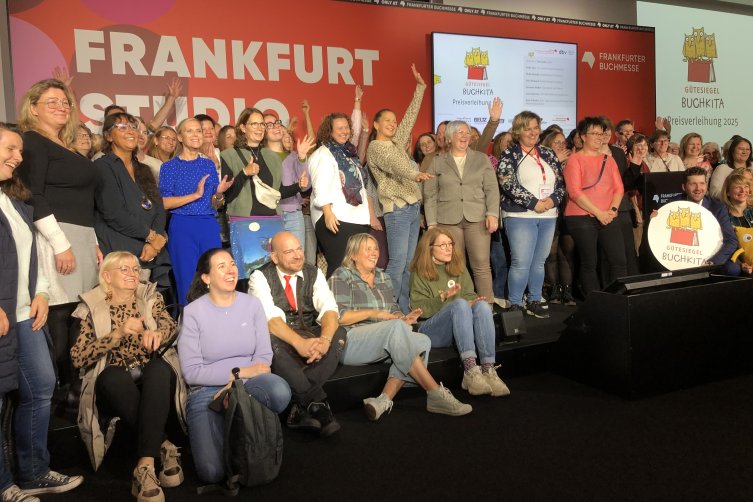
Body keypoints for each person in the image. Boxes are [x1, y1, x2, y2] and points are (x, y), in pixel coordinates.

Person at [0, 123, 83, 501]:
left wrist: (43, 292)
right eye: (10, 149)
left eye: (20, 151)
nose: (18, 158)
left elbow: (31, 253)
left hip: (25, 313)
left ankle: (33, 473)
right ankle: (5, 485)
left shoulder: (14, 199)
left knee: (42, 387)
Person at [71, 251, 183, 501]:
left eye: (135, 269)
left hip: (151, 373)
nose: (133, 273)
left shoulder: (150, 298)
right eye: (124, 269)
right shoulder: (91, 307)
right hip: (115, 381)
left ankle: (145, 466)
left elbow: (170, 325)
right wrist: (117, 334)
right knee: (112, 377)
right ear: (107, 276)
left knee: (157, 370)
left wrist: (158, 334)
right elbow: (78, 357)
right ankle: (164, 446)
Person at [17, 78, 100, 410]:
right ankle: (56, 394)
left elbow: (85, 201)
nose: (61, 107)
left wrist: (92, 242)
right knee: (60, 315)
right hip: (56, 235)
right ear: (33, 108)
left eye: (65, 102)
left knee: (80, 315)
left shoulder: (65, 145)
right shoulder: (32, 141)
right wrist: (60, 243)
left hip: (82, 236)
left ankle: (77, 389)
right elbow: (34, 194)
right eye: (52, 102)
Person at [328, 233, 472, 420]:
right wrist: (375, 313)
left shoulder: (383, 277)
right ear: (354, 255)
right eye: (368, 249)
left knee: (422, 340)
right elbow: (339, 317)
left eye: (376, 248)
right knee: (397, 329)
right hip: (350, 341)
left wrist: (403, 318)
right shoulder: (341, 275)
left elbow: (393, 310)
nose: (374, 253)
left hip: (383, 338)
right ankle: (435, 392)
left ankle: (383, 400)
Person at [178, 248, 291, 484]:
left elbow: (263, 357)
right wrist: (238, 373)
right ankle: (236, 427)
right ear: (206, 278)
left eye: (232, 264)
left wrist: (237, 383)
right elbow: (192, 372)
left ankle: (243, 424)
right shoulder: (192, 313)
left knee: (280, 391)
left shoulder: (252, 304)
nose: (231, 270)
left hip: (251, 383)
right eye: (222, 266)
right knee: (212, 473)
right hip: (207, 390)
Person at [247, 232, 346, 436]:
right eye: (289, 251)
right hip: (281, 338)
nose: (298, 255)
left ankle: (299, 407)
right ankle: (318, 403)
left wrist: (325, 340)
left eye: (299, 248)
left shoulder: (314, 272)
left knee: (339, 331)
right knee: (267, 338)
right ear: (274, 257)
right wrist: (299, 344)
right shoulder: (259, 276)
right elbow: (270, 320)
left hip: (309, 334)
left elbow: (329, 308)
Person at [409, 228, 509, 396]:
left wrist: (473, 302)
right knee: (460, 304)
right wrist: (443, 297)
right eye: (443, 245)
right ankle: (470, 370)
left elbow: (469, 294)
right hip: (430, 329)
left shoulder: (458, 266)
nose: (449, 248)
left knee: (482, 306)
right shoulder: (419, 272)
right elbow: (419, 310)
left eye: (450, 244)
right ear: (430, 248)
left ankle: (488, 369)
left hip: (460, 323)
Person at [367, 64, 434, 312]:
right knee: (396, 263)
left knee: (407, 264)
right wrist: (415, 174)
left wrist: (420, 89)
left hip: (412, 208)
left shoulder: (396, 142)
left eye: (394, 121)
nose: (393, 124)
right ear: (375, 124)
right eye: (387, 121)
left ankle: (404, 309)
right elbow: (395, 165)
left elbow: (410, 118)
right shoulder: (376, 147)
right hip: (396, 209)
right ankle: (388, 309)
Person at [94, 112, 171, 300]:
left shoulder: (144, 169)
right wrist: (151, 237)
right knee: (123, 311)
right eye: (122, 127)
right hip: (120, 251)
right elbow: (113, 213)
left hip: (150, 252)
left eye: (133, 127)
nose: (130, 131)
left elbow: (158, 208)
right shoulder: (103, 166)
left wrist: (156, 241)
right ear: (108, 136)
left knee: (149, 310)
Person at [424, 120, 500, 302]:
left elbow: (491, 188)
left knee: (481, 264)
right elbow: (429, 193)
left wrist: (492, 213)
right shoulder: (437, 161)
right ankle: (460, 306)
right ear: (449, 138)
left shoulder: (481, 158)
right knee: (455, 265)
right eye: (460, 132)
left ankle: (486, 307)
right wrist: (432, 223)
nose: (465, 136)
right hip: (447, 219)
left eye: (467, 132)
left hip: (477, 217)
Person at [159, 117, 232, 304]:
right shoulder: (169, 167)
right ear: (180, 137)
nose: (195, 134)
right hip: (182, 226)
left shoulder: (208, 164)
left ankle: (215, 317)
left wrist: (219, 193)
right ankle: (189, 319)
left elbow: (215, 203)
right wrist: (195, 195)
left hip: (208, 224)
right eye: (189, 131)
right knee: (187, 278)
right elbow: (164, 202)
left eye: (198, 130)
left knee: (213, 276)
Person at [497, 111, 564, 317]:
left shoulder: (548, 153)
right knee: (521, 262)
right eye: (528, 129)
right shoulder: (510, 154)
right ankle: (516, 303)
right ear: (518, 131)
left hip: (548, 215)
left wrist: (552, 200)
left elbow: (560, 183)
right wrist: (533, 203)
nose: (533, 132)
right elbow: (507, 182)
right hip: (520, 216)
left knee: (539, 262)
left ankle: (534, 299)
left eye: (536, 128)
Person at [563, 117, 626, 296]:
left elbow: (619, 189)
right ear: (583, 136)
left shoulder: (609, 160)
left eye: (602, 133)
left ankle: (617, 300)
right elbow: (575, 192)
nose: (600, 137)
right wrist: (599, 213)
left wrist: (612, 211)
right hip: (581, 217)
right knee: (589, 262)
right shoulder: (574, 159)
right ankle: (595, 302)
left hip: (608, 216)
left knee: (619, 261)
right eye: (595, 133)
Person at [309, 112, 373, 275]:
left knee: (358, 269)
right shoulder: (323, 153)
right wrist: (328, 213)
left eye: (346, 127)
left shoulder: (350, 153)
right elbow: (320, 185)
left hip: (358, 218)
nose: (344, 131)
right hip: (335, 218)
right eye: (339, 128)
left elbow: (361, 187)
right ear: (329, 131)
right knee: (340, 267)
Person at [220, 108, 308, 219]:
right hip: (244, 221)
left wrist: (298, 186)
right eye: (254, 124)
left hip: (273, 219)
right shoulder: (229, 155)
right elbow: (227, 196)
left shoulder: (271, 156)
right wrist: (244, 173)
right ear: (243, 128)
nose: (259, 128)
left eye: (262, 124)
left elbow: (277, 192)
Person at [678, 167, 738, 275]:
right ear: (684, 187)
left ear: (706, 185)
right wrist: (655, 220)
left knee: (732, 269)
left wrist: (712, 262)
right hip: (682, 255)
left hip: (711, 256)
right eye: (693, 184)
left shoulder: (718, 208)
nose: (698, 188)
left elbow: (731, 240)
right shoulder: (672, 205)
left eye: (702, 183)